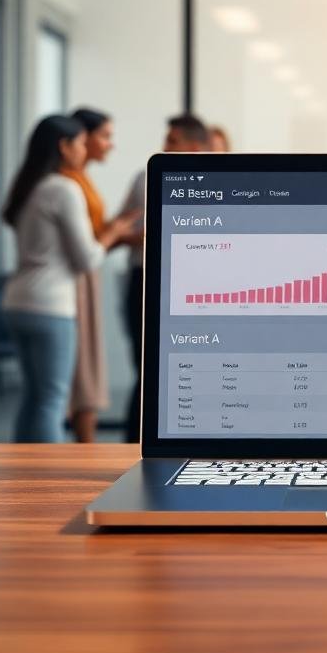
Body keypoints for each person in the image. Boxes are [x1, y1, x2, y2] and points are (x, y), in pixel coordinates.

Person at [1, 116, 137, 443]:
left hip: (17, 301)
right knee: (52, 399)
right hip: (52, 306)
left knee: (33, 397)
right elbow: (87, 258)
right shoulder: (65, 189)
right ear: (64, 147)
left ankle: (23, 470)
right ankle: (50, 476)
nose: (83, 149)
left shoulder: (30, 186)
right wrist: (114, 232)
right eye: (79, 142)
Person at [119, 114, 210, 443]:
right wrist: (156, 233)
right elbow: (120, 231)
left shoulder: (218, 181)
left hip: (195, 287)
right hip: (146, 281)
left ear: (195, 147)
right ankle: (135, 447)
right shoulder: (147, 178)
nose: (164, 146)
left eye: (172, 141)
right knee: (148, 373)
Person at [57, 107, 117, 444]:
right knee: (82, 369)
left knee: (87, 367)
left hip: (87, 274)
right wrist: (118, 232)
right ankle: (84, 449)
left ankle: (86, 446)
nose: (110, 145)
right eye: (104, 136)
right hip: (77, 277)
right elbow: (86, 244)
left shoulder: (81, 179)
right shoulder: (67, 183)